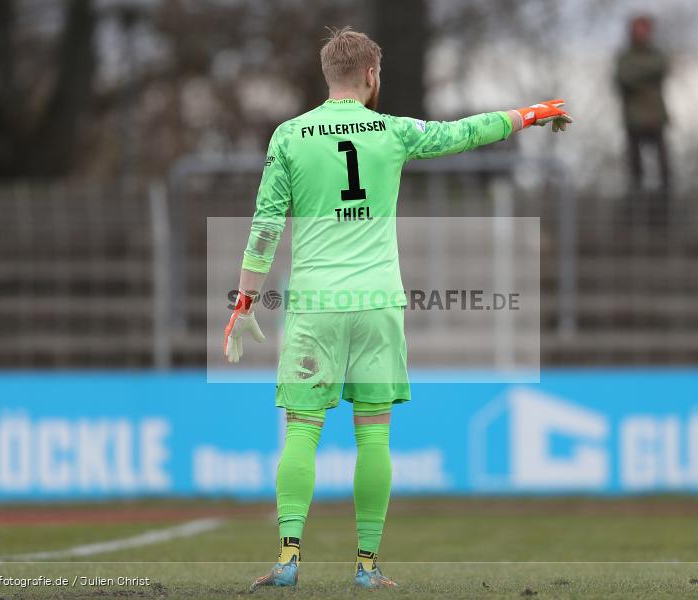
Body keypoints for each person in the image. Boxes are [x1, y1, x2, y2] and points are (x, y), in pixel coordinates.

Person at [223, 26, 572, 591]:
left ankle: (289, 557)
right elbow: (463, 132)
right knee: (374, 435)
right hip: (378, 303)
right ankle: (366, 566)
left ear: (327, 75)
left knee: (303, 431)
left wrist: (242, 302)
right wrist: (529, 114)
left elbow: (265, 226)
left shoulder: (289, 136)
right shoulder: (394, 132)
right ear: (371, 76)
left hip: (315, 304)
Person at [615, 15, 671, 196]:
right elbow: (624, 77)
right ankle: (634, 206)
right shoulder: (624, 57)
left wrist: (636, 75)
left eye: (645, 29)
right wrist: (646, 75)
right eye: (638, 29)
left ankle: (665, 208)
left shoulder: (657, 54)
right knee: (635, 168)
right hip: (633, 119)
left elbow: (660, 68)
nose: (642, 33)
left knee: (664, 167)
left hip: (656, 118)